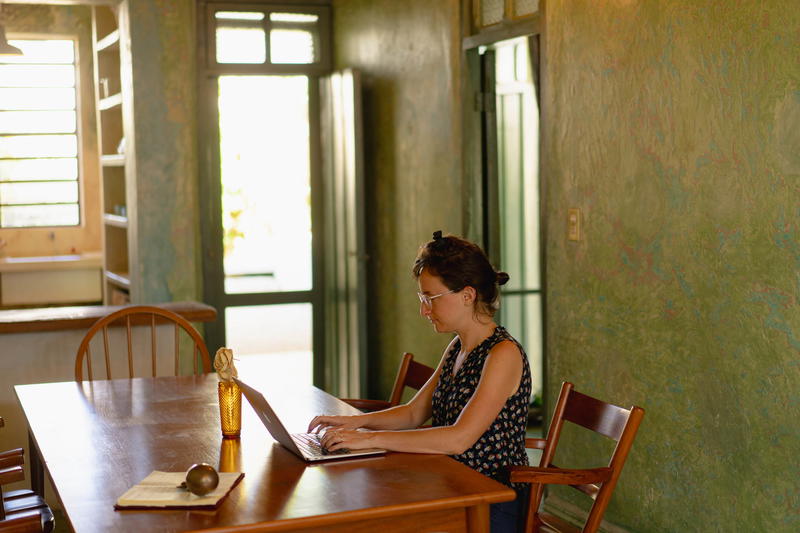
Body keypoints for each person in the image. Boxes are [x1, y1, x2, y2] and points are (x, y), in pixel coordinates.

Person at [308, 230, 531, 532]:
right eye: (422, 298)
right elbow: (414, 413)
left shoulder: (503, 354)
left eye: (431, 298)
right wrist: (351, 424)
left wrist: (368, 439)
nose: (424, 310)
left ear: (467, 295)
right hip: (448, 482)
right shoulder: (458, 347)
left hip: (489, 500)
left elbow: (458, 438)